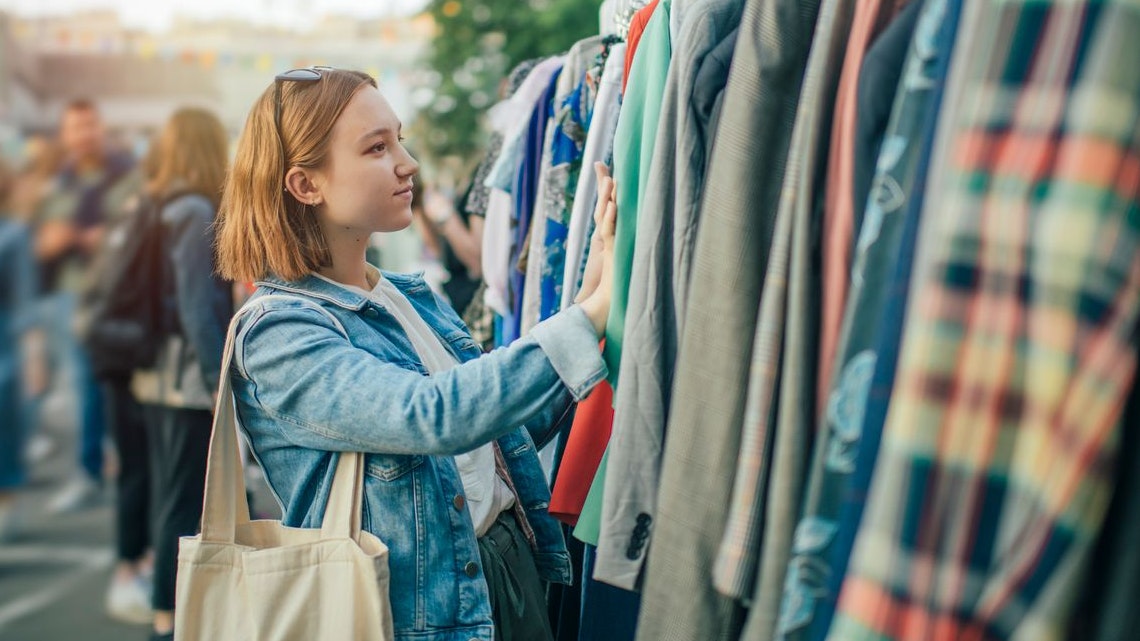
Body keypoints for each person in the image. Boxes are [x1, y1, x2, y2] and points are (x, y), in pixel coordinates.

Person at [214, 68, 617, 641]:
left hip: (504, 580)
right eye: (377, 148)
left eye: (398, 139)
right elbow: (432, 415)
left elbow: (500, 429)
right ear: (306, 185)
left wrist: (588, 296)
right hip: (419, 617)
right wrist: (588, 317)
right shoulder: (278, 332)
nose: (407, 163)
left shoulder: (408, 296)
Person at [127, 108, 233, 641]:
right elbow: (196, 305)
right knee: (183, 499)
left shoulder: (164, 203)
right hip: (184, 376)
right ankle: (169, 622)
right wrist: (220, 382)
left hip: (159, 371)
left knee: (171, 494)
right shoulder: (193, 210)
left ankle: (166, 616)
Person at [33, 99, 141, 514]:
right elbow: (41, 242)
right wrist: (55, 240)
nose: (83, 135)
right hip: (67, 295)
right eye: (75, 128)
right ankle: (91, 469)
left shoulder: (127, 176)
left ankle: (106, 469)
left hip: (114, 298)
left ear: (101, 127)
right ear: (65, 134)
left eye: (90, 126)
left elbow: (128, 234)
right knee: (80, 386)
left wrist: (79, 236)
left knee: (109, 385)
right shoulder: (59, 183)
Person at [0, 159, 45, 542]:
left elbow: (23, 298)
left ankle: (6, 503)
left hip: (5, 348)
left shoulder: (13, 234)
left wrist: (33, 354)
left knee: (6, 432)